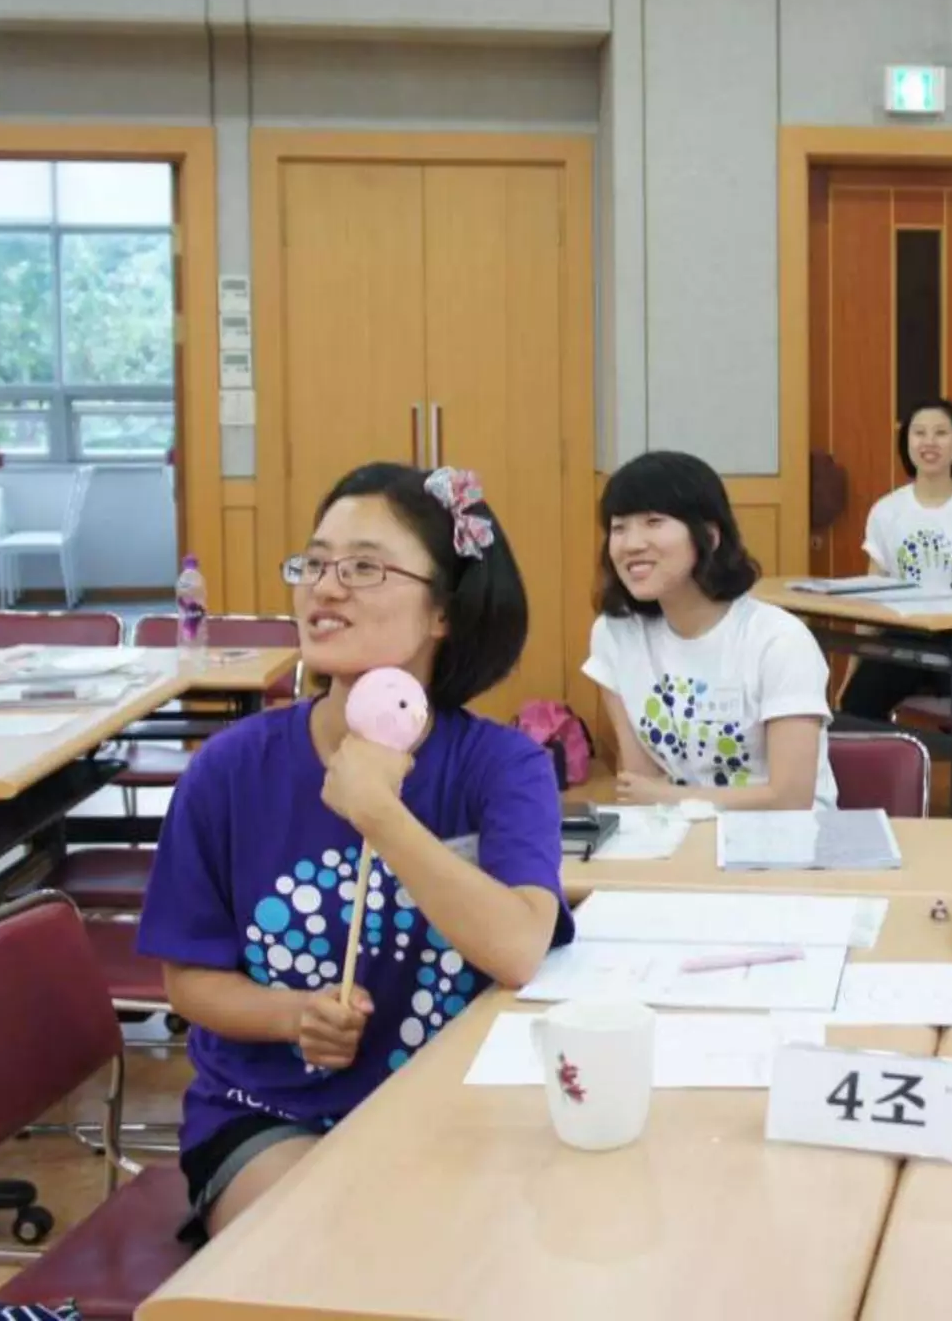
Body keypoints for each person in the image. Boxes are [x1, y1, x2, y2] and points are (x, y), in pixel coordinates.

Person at [139, 463, 572, 1244]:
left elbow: (517, 947)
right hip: (272, 1117)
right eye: (315, 564)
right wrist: (292, 1015)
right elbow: (188, 981)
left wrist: (380, 814)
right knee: (352, 1241)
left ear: (443, 611)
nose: (325, 588)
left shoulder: (503, 767)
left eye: (364, 567)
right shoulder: (229, 769)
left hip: (459, 1114)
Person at [587, 449, 837, 811]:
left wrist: (672, 798)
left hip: (785, 837)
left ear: (709, 535)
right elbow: (640, 785)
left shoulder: (779, 641)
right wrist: (663, 807)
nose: (631, 544)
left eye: (654, 521)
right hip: (680, 834)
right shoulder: (615, 634)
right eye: (619, 527)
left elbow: (791, 798)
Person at [840, 397, 952, 721]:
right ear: (907, 443)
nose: (929, 442)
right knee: (855, 707)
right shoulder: (886, 511)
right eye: (919, 433)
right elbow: (871, 601)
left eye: (940, 433)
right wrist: (851, 671)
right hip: (903, 639)